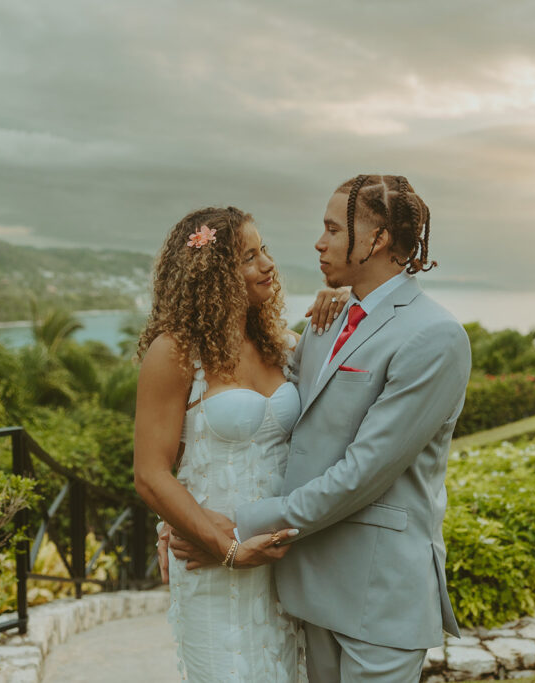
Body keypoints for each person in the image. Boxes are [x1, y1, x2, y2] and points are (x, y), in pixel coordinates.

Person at [171, 175, 472, 682]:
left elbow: (363, 472)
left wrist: (232, 525)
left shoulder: (434, 336)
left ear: (375, 240)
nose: (319, 241)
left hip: (379, 596)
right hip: (309, 587)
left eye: (333, 229)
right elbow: (266, 422)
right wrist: (180, 517)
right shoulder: (325, 322)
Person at [133, 206, 348, 681]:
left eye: (264, 250)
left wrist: (342, 299)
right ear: (212, 275)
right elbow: (150, 473)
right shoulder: (175, 352)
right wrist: (223, 547)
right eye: (248, 257)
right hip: (212, 565)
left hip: (282, 562)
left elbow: (347, 381)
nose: (267, 264)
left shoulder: (281, 344)